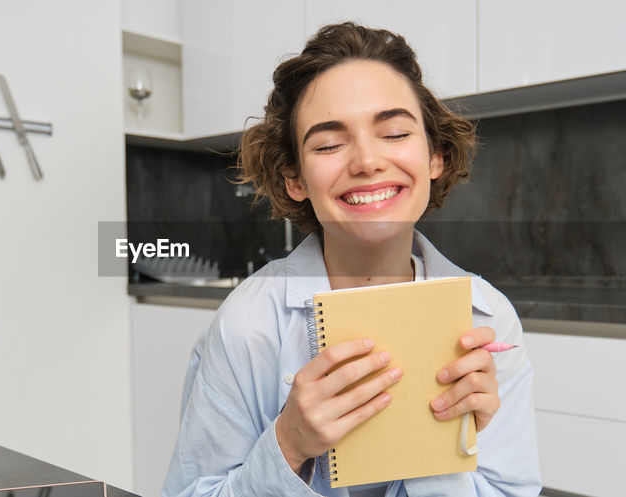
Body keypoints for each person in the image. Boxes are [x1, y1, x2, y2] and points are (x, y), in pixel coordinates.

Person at [161, 22, 541, 497]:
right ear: (294, 179)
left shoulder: (488, 320)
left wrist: (446, 449)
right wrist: (289, 444)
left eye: (395, 132)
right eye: (328, 144)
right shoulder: (248, 324)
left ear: (435, 156)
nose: (366, 161)